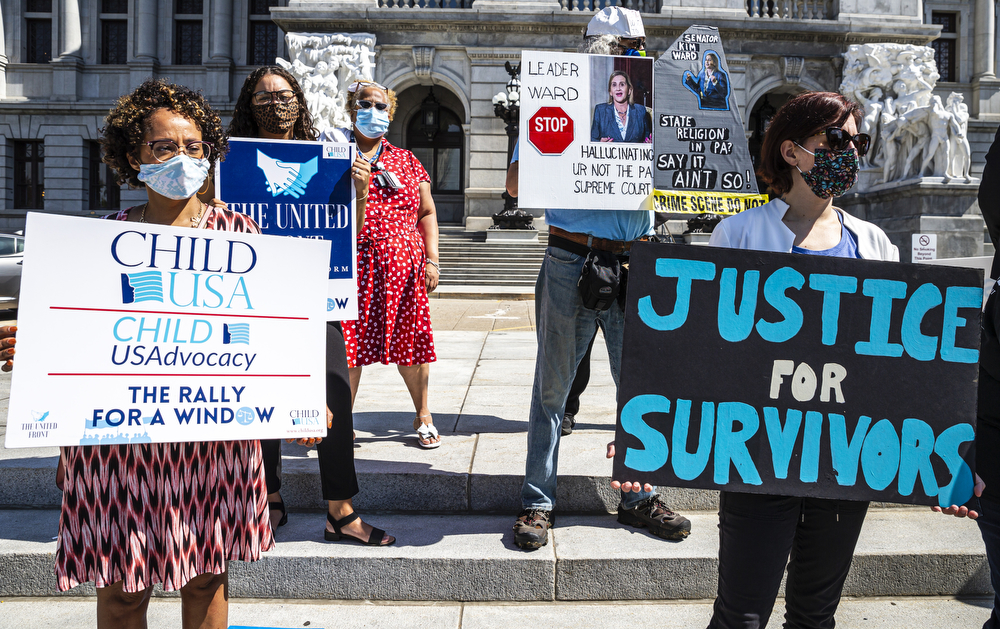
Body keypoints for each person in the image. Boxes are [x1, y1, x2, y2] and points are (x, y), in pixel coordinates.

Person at [55, 78, 275, 629]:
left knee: (206, 578)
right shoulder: (104, 241)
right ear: (133, 156)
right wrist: (33, 347)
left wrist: (299, 396)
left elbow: (268, 334)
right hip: (119, 451)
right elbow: (77, 339)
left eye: (194, 147)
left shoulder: (240, 235)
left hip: (209, 443)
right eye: (164, 147)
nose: (182, 158)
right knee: (123, 589)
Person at [704, 91, 894, 628]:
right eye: (835, 140)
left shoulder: (875, 244)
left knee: (815, 616)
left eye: (858, 141)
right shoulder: (737, 235)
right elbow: (701, 355)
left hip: (843, 461)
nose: (850, 152)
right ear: (790, 152)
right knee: (741, 615)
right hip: (759, 455)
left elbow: (900, 370)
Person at [506, 5, 691, 551]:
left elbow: (690, 173)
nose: (617, 56)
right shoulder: (556, 101)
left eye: (628, 47)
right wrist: (535, 137)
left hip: (638, 258)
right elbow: (516, 186)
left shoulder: (659, 108)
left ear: (641, 49)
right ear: (587, 49)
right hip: (571, 257)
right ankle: (538, 502)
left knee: (640, 390)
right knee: (552, 390)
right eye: (606, 46)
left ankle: (640, 497)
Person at [228, 66, 394, 545]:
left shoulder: (324, 157)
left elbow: (348, 232)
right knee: (259, 398)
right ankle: (268, 497)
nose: (274, 103)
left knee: (336, 394)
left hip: (315, 296)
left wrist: (358, 192)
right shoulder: (229, 161)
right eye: (263, 96)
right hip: (252, 299)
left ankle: (340, 510)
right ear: (248, 104)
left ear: (299, 100)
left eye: (282, 95)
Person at [333, 81, 442, 449]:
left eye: (381, 106)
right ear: (352, 108)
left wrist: (432, 260)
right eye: (366, 104)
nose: (374, 111)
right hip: (353, 265)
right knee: (347, 346)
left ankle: (423, 414)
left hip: (404, 269)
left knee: (411, 343)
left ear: (390, 114)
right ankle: (341, 421)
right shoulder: (333, 155)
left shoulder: (406, 159)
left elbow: (426, 211)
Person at [591, 71, 651, 143]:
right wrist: (599, 145)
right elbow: (593, 141)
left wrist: (649, 144)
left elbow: (646, 140)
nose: (618, 88)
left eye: (622, 84)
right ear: (610, 91)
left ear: (629, 90)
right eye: (614, 85)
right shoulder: (600, 111)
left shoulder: (641, 111)